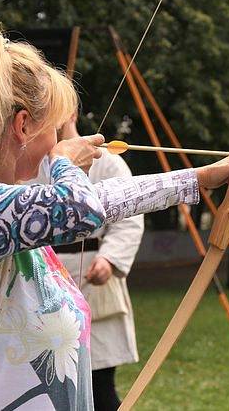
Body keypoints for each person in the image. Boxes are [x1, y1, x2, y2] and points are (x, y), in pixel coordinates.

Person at [0, 19, 229, 410]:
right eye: (57, 129)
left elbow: (104, 199)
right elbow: (81, 210)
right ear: (23, 126)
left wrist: (198, 180)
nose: (60, 140)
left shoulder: (6, 210)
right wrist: (66, 164)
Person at [46, 116, 144, 410]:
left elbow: (130, 215)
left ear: (71, 113)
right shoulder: (31, 161)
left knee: (99, 386)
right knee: (52, 385)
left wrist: (109, 259)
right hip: (47, 276)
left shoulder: (107, 161)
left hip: (93, 273)